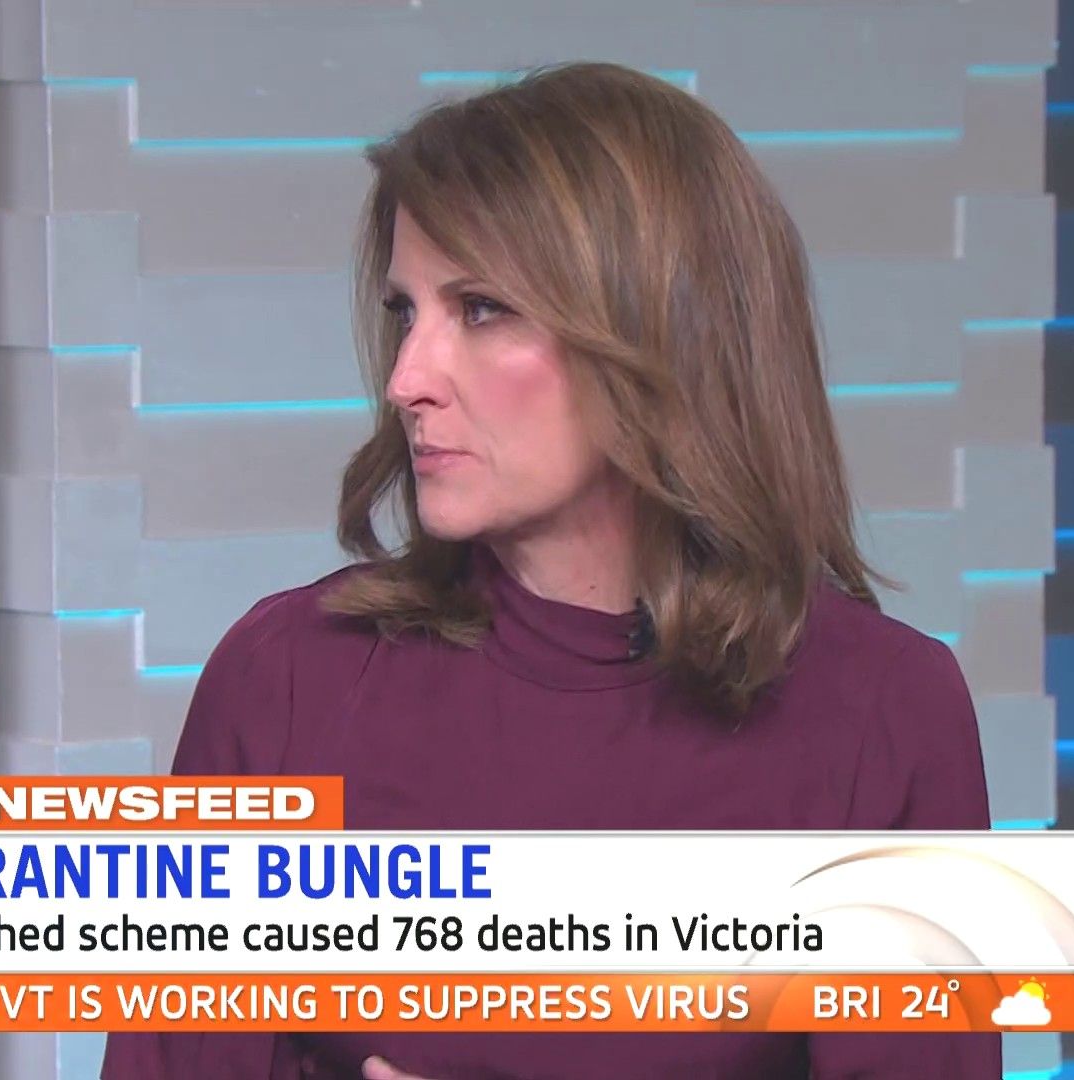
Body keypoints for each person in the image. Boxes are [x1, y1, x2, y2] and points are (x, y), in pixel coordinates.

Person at [103, 61, 998, 1080]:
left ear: (662, 333)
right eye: (405, 312)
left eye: (481, 309)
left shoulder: (884, 712)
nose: (407, 379)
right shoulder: (287, 680)